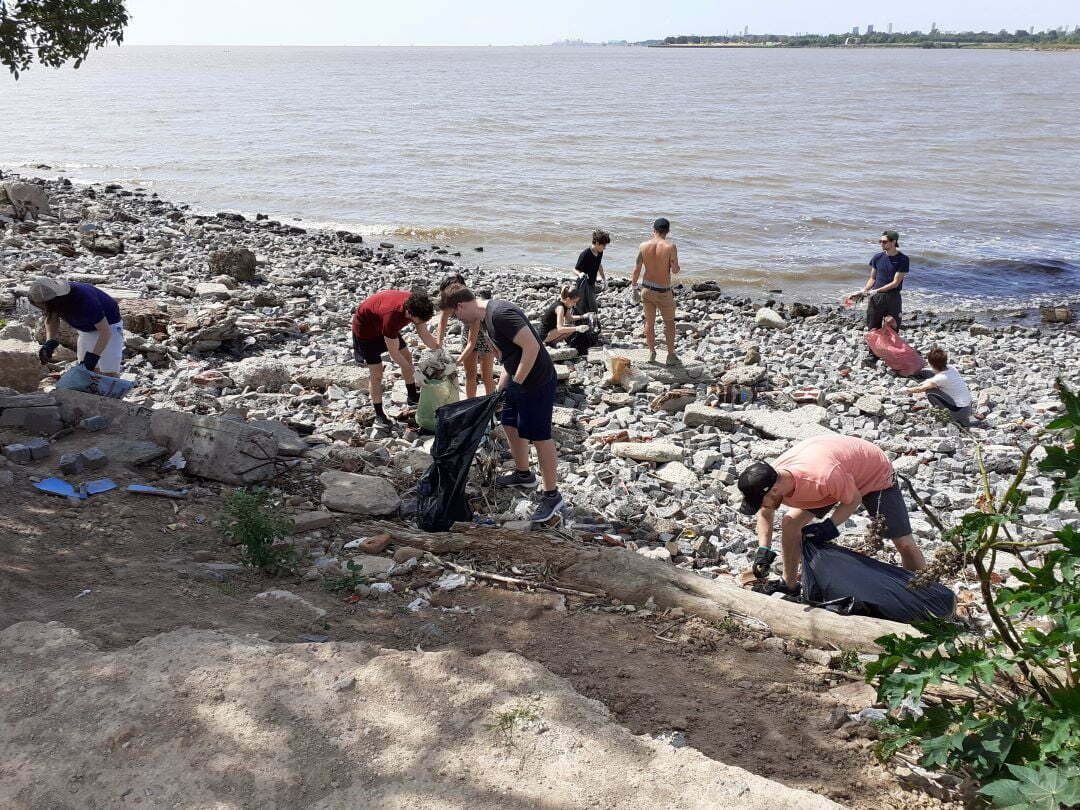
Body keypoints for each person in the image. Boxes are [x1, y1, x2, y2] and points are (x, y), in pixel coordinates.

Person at [439, 283, 564, 524]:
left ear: (461, 306)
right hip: (519, 378)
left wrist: (517, 383)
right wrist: (500, 390)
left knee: (540, 436)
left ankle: (552, 495)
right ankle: (523, 473)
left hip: (537, 380)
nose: (458, 320)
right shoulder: (484, 319)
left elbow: (532, 347)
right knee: (509, 423)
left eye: (455, 315)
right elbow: (510, 358)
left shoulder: (500, 314)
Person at [737, 435, 927, 593]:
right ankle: (790, 584)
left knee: (904, 543)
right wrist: (764, 550)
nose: (761, 506)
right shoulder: (772, 479)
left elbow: (853, 500)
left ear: (775, 490)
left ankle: (925, 591)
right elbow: (764, 514)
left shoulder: (823, 477)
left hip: (873, 474)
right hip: (835, 476)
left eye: (760, 501)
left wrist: (829, 526)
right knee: (790, 523)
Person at [351, 290, 438, 424]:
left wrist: (440, 351)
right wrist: (415, 374)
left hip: (381, 321)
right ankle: (379, 414)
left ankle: (412, 395)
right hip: (365, 330)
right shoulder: (392, 319)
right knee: (377, 374)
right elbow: (394, 354)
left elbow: (424, 334)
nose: (419, 323)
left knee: (407, 357)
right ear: (410, 313)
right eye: (418, 321)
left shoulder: (418, 306)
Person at [27, 277, 125, 376]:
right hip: (85, 330)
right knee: (87, 371)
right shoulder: (53, 301)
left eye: (43, 305)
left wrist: (94, 356)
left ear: (54, 301)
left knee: (109, 371)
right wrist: (49, 342)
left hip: (110, 326)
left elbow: (105, 332)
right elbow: (52, 318)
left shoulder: (84, 300)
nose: (42, 308)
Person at [852, 229, 909, 367]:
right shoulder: (877, 257)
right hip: (875, 298)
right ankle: (873, 356)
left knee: (893, 326)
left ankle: (892, 356)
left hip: (892, 297)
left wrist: (876, 290)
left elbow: (895, 282)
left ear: (894, 242)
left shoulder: (903, 259)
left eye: (884, 241)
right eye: (880, 241)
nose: (881, 244)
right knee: (873, 327)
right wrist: (864, 291)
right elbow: (872, 278)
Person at [435, 275, 495, 398]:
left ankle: (495, 406)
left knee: (486, 375)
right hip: (466, 333)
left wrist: (455, 363)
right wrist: (438, 346)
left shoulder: (473, 307)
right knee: (469, 374)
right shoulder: (450, 302)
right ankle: (470, 404)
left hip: (485, 336)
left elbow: (471, 342)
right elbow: (442, 321)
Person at [630, 217, 681, 365]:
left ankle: (651, 353)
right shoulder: (670, 247)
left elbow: (636, 269)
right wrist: (675, 266)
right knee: (669, 323)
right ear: (668, 231)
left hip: (647, 289)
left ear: (654, 230)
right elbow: (675, 270)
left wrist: (634, 286)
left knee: (649, 322)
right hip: (664, 291)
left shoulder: (643, 246)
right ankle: (670, 355)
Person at [906, 347, 973, 427]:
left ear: (932, 364)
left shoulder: (940, 378)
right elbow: (935, 379)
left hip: (959, 412)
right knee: (934, 387)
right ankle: (956, 416)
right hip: (967, 408)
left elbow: (920, 389)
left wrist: (906, 390)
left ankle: (946, 417)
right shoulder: (952, 368)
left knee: (930, 392)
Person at [573, 229, 610, 316]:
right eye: (603, 245)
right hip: (583, 284)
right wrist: (580, 274)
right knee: (581, 306)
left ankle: (588, 325)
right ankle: (576, 324)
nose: (605, 247)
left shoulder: (600, 252)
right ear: (597, 243)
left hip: (591, 283)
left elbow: (599, 265)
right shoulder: (585, 254)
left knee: (590, 306)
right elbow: (575, 269)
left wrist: (604, 279)